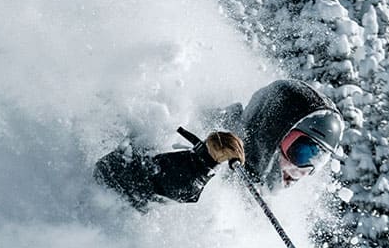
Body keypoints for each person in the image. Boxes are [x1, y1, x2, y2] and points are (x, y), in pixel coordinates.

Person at [94, 78, 344, 210]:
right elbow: (110, 175)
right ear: (273, 130)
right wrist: (199, 164)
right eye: (303, 151)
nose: (303, 172)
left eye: (318, 161)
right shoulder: (194, 125)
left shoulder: (256, 193)